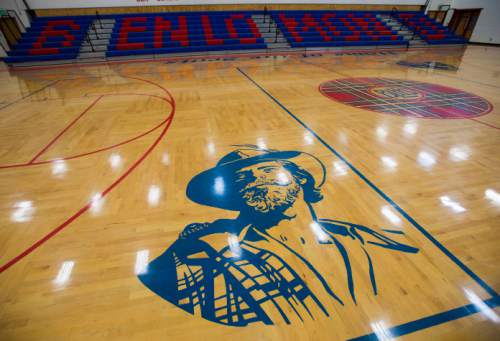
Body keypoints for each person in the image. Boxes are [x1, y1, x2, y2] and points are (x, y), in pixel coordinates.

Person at [139, 145, 418, 326]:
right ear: (234, 196)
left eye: (268, 169)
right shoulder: (200, 251)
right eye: (241, 178)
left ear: (302, 179)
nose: (254, 178)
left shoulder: (359, 237)